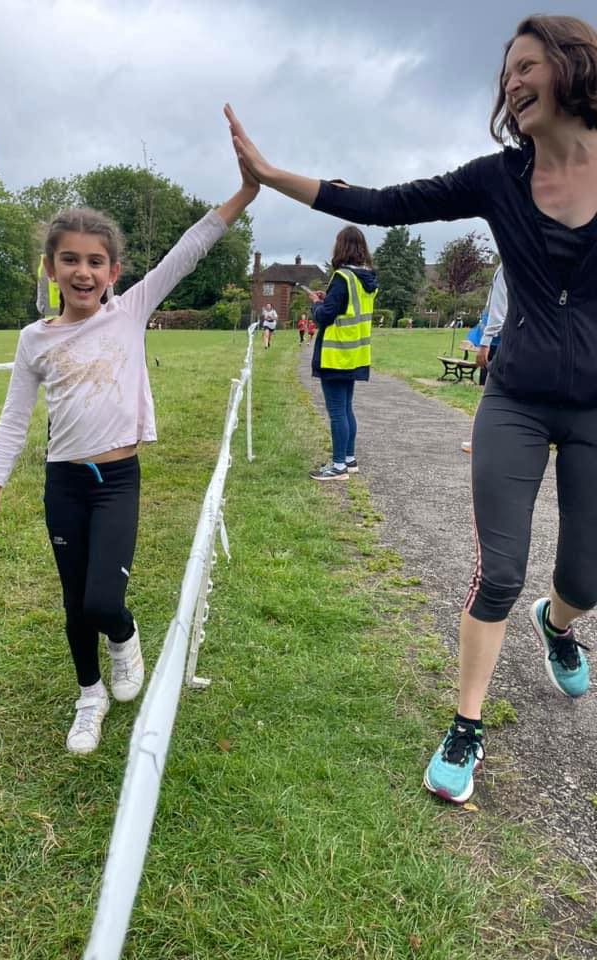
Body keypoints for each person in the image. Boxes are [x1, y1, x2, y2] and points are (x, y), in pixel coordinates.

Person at [226, 12, 597, 805]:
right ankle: (466, 726)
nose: (511, 83)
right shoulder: (498, 179)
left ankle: (559, 624)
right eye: (506, 73)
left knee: (586, 576)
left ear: (572, 66)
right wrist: (271, 174)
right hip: (515, 401)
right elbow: (381, 202)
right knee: (499, 573)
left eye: (527, 66)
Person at [0, 167, 259, 756]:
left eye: (95, 262)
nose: (83, 272)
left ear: (113, 272)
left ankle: (123, 637)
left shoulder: (129, 311)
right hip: (64, 484)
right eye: (70, 260)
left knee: (102, 601)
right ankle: (89, 696)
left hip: (117, 482)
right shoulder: (34, 340)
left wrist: (245, 194)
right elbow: (13, 418)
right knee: (74, 600)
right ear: (50, 268)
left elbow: (189, 250)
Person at [307, 226, 377, 481]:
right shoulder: (367, 278)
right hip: (356, 354)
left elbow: (326, 315)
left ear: (341, 247)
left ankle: (338, 467)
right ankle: (348, 458)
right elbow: (346, 306)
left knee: (337, 411)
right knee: (346, 408)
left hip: (336, 354)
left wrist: (317, 305)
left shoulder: (342, 277)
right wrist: (329, 298)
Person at [461, 264, 507, 453]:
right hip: (509, 339)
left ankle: (480, 440)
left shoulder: (506, 268)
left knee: (490, 394)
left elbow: (498, 310)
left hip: (497, 342)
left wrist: (485, 342)